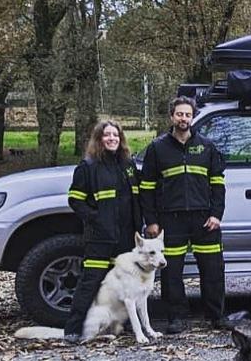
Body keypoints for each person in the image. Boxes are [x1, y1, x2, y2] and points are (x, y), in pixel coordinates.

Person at [139, 97, 230, 334]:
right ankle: (176, 318)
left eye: (187, 114)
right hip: (171, 220)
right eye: (179, 114)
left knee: (212, 269)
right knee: (172, 272)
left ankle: (216, 316)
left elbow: (218, 184)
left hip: (204, 219)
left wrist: (216, 214)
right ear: (172, 117)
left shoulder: (207, 147)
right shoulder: (157, 148)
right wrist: (152, 221)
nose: (183, 118)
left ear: (192, 117)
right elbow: (146, 188)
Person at [65, 120, 142, 342]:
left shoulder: (127, 165)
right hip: (100, 238)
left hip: (125, 238)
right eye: (107, 135)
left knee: (126, 285)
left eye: (115, 135)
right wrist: (95, 219)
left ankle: (121, 325)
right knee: (89, 283)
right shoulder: (88, 166)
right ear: (99, 139)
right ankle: (73, 329)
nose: (112, 139)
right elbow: (75, 200)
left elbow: (136, 199)